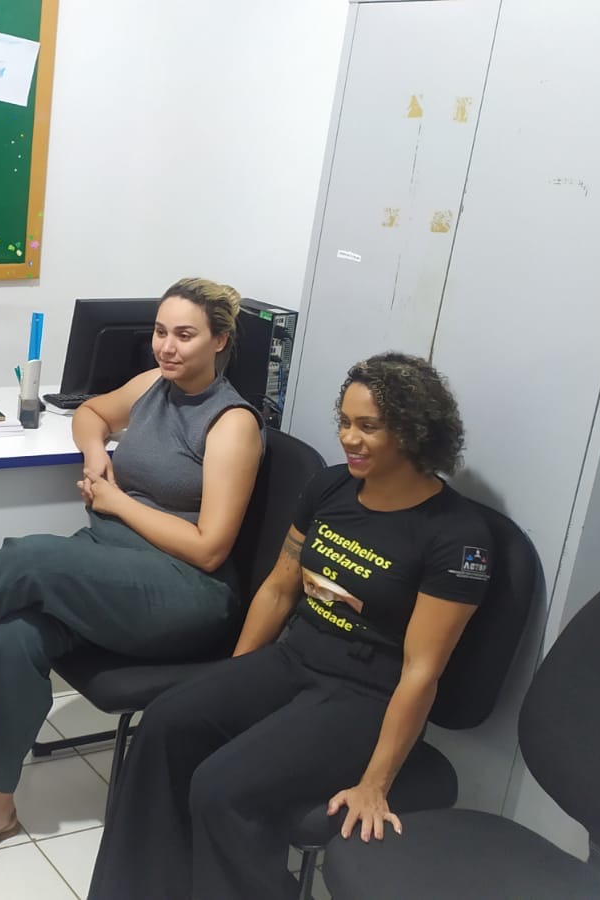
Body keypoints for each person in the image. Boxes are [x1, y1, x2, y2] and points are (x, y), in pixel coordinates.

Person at [0, 278, 265, 873]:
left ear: (220, 341)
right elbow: (91, 412)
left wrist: (116, 501)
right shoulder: (152, 386)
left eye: (185, 335)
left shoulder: (232, 423)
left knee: (29, 557)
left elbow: (210, 549)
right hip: (112, 564)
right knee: (14, 636)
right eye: (161, 332)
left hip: (185, 591)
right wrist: (95, 452)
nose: (167, 346)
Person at [87, 352, 495, 900]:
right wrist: (230, 683)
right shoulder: (329, 488)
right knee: (164, 723)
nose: (349, 438)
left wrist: (376, 783)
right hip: (295, 657)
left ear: (415, 432)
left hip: (366, 694)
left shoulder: (457, 536)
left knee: (222, 789)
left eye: (369, 426)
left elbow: (422, 670)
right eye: (344, 422)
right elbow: (280, 588)